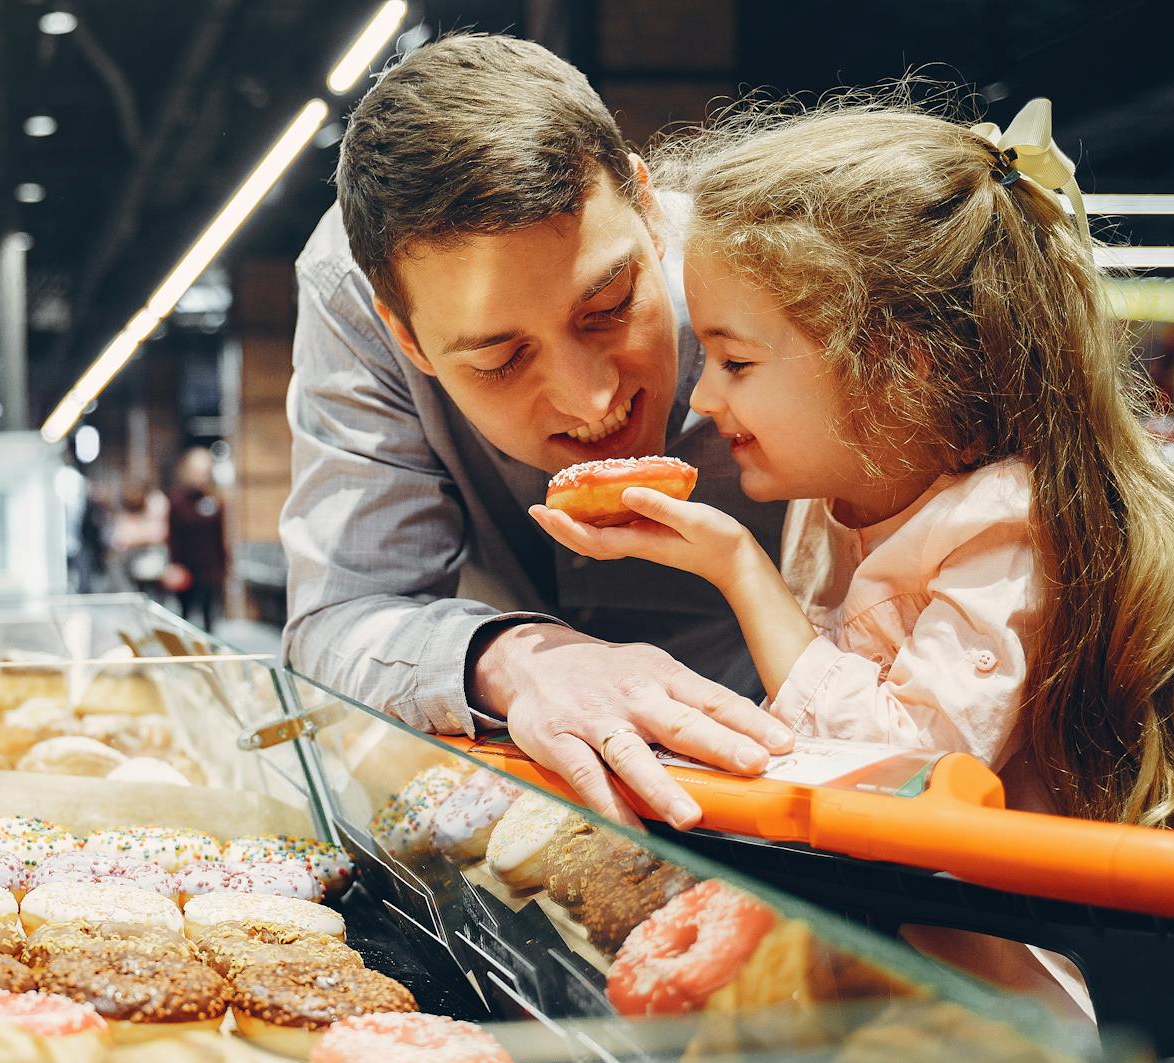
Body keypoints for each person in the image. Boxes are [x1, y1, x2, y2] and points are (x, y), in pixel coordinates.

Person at [532, 100, 1174, 832]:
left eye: (736, 362)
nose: (702, 395)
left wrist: (738, 568)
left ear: (897, 368)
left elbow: (907, 774)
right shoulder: (827, 501)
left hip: (981, 932)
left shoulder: (1004, 524)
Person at [280, 34, 795, 831]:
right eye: (499, 357)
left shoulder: (786, 264)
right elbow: (341, 615)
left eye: (610, 307)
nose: (591, 401)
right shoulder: (355, 290)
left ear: (650, 213)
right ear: (405, 337)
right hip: (530, 794)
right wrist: (520, 661)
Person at [166, 446, 229, 632]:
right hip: (185, 569)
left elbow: (220, 536)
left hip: (210, 570)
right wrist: (174, 565)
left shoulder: (214, 500)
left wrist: (224, 566)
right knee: (185, 618)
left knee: (210, 619)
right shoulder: (177, 502)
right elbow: (173, 537)